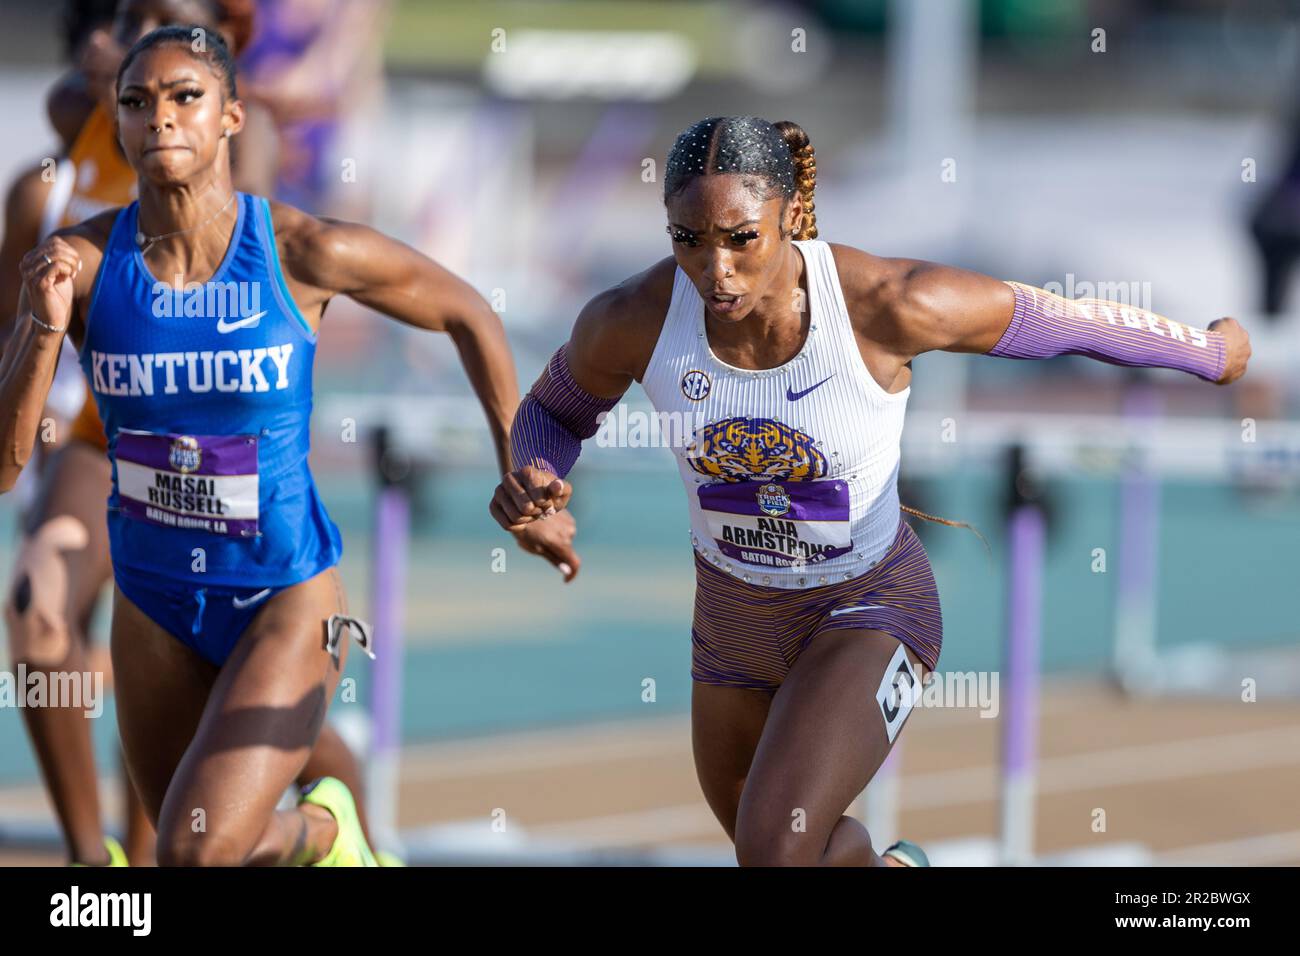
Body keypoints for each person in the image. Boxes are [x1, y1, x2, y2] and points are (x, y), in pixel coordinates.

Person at [491, 116, 1251, 866]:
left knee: (774, 846)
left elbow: (1063, 322)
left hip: (866, 609)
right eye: (688, 240)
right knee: (807, 854)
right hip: (730, 622)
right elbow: (554, 411)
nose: (714, 270)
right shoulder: (632, 318)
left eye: (739, 239)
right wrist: (535, 473)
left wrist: (1211, 352)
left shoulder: (885, 303)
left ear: (788, 215)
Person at [0, 24, 573, 866]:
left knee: (202, 851)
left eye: (185, 97)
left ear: (232, 117)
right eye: (136, 102)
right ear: (117, 125)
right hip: (154, 601)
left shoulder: (301, 252)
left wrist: (522, 472)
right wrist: (44, 330)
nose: (160, 118)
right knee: (182, 856)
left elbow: (468, 312)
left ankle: (326, 829)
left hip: (284, 597)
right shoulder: (81, 265)